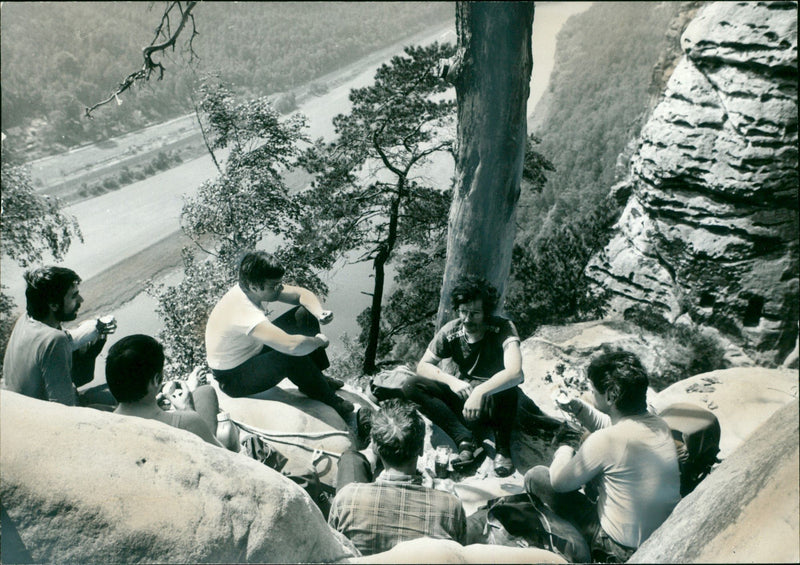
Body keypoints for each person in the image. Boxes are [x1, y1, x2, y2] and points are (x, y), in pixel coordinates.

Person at [524, 350, 681, 562]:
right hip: (661, 535)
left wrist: (565, 444)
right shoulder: (658, 425)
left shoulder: (605, 441)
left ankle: (578, 551)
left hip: (619, 548)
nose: (591, 393)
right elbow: (617, 426)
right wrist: (577, 408)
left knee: (537, 477)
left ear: (610, 395)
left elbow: (558, 482)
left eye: (593, 390)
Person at [204, 251, 353, 420]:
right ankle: (329, 399)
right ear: (254, 287)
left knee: (304, 314)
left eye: (280, 283)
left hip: (251, 351)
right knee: (289, 354)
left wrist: (319, 313)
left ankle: (317, 378)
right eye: (275, 286)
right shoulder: (243, 310)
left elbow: (301, 295)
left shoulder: (252, 288)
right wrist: (318, 341)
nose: (280, 288)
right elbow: (292, 346)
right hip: (234, 377)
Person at [402, 276, 523, 477]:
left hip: (494, 400)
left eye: (475, 313)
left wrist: (481, 391)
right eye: (463, 312)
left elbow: (515, 372)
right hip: (463, 396)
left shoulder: (503, 328)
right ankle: (465, 439)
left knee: (509, 388)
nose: (467, 319)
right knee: (411, 385)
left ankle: (502, 450)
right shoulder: (452, 330)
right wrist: (453, 381)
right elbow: (423, 366)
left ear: (487, 313)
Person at [328, 399, 467, 556]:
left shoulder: (346, 498)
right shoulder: (451, 505)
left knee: (351, 458)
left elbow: (336, 548)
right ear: (421, 449)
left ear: (374, 447)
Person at [2, 266, 116, 408]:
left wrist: (95, 328)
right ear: (53, 305)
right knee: (124, 401)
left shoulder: (25, 320)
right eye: (74, 296)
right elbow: (64, 408)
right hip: (46, 419)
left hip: (21, 408)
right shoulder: (55, 340)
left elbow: (64, 338)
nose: (81, 299)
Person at [106, 334, 225, 447]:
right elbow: (227, 458)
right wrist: (188, 410)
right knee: (206, 392)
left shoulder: (104, 424)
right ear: (157, 380)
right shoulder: (187, 423)